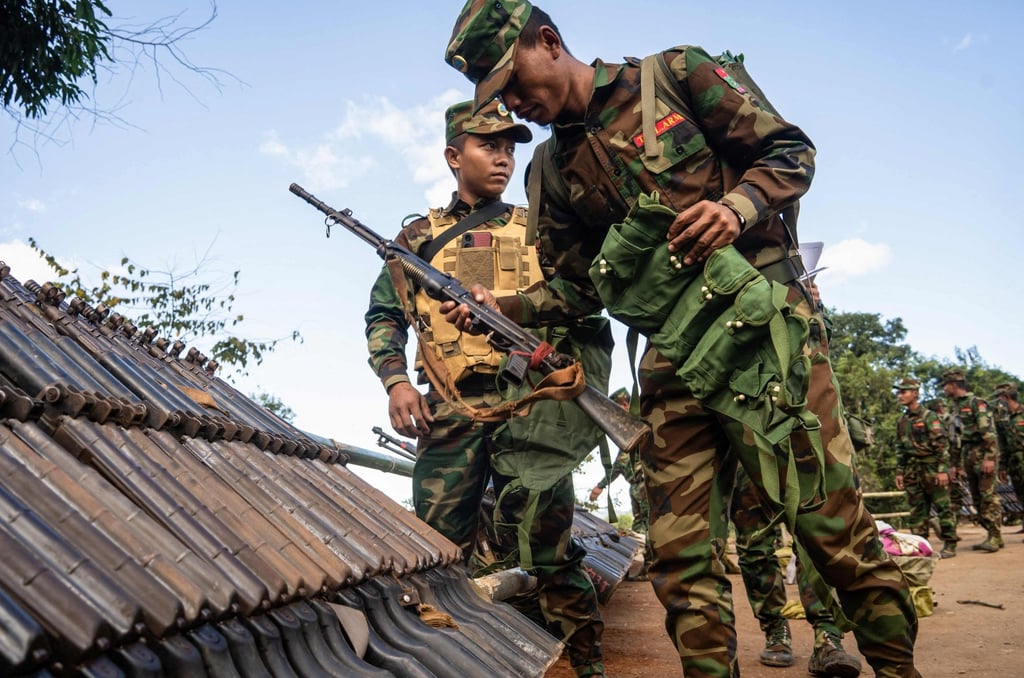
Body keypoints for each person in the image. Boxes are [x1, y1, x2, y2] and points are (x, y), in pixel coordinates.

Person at [442, 2, 921, 676]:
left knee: (830, 530)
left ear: (548, 42)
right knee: (681, 558)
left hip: (763, 335)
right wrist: (503, 303)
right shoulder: (547, 171)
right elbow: (579, 292)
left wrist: (738, 207)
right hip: (672, 365)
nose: (514, 105)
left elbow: (791, 152)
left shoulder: (678, 75)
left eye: (513, 82)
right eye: (496, 97)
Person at [363, 99, 607, 677]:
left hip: (531, 409)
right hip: (449, 409)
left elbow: (583, 302)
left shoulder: (541, 229)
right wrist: (396, 382)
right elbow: (382, 315)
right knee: (439, 558)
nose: (502, 158)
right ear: (454, 155)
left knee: (549, 548)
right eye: (487, 146)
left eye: (509, 147)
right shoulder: (418, 238)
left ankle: (590, 666)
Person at [731, 465, 862, 677]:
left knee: (819, 541)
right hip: (746, 444)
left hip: (805, 442)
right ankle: (776, 630)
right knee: (754, 545)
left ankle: (827, 636)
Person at [893, 377, 958, 558]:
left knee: (943, 506)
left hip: (932, 468)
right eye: (899, 392)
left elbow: (942, 445)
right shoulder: (902, 420)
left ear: (915, 393)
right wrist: (900, 472)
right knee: (917, 509)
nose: (900, 396)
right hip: (912, 470)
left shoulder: (930, 417)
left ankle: (950, 543)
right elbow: (901, 448)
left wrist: (942, 470)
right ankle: (920, 544)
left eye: (903, 392)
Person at [941, 369, 1003, 552]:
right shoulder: (955, 407)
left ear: (953, 385)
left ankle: (995, 536)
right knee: (976, 498)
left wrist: (990, 458)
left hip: (982, 453)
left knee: (988, 496)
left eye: (945, 385)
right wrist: (954, 465)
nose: (944, 389)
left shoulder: (976, 403)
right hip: (967, 455)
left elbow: (989, 433)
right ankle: (992, 535)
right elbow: (954, 439)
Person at [991, 382, 1024, 537]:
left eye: (999, 398)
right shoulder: (1003, 419)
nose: (997, 402)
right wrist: (1002, 467)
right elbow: (1003, 444)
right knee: (1020, 493)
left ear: (1005, 397)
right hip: (1014, 462)